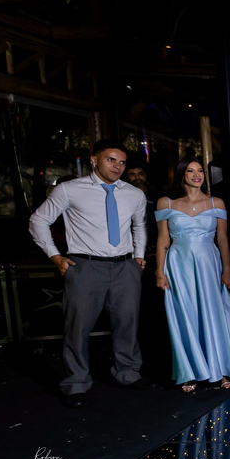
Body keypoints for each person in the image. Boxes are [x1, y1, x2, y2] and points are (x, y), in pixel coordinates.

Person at [28, 140, 150, 407]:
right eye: (111, 160)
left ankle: (128, 373)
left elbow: (139, 226)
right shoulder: (69, 189)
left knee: (127, 324)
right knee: (78, 327)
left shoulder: (134, 194)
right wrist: (55, 256)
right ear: (94, 160)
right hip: (85, 267)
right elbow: (38, 220)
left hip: (125, 267)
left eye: (122, 162)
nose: (117, 166)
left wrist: (139, 255)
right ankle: (76, 382)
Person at [155, 158, 230, 391]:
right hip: (179, 264)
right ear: (181, 175)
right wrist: (159, 271)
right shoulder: (166, 203)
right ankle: (189, 372)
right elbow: (162, 239)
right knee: (185, 314)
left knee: (214, 313)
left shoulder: (216, 202)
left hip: (208, 264)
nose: (197, 175)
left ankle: (221, 368)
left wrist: (227, 269)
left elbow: (222, 239)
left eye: (200, 171)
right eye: (191, 171)